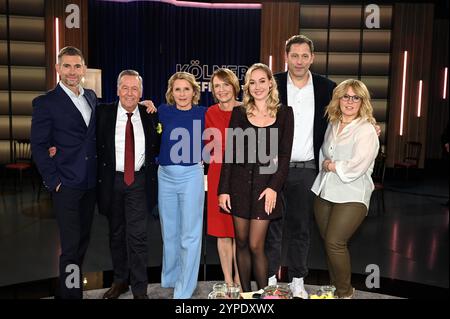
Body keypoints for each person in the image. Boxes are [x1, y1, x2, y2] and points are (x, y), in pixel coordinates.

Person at [264, 35, 336, 298]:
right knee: (271, 225)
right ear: (286, 56)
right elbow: (249, 109)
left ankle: (297, 280)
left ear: (312, 58)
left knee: (301, 228)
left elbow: (347, 114)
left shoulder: (327, 87)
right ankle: (270, 278)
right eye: (294, 55)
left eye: (305, 55)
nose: (299, 61)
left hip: (307, 169)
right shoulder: (272, 83)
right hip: (272, 168)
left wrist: (370, 124)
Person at [218, 63, 294, 292]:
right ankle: (247, 294)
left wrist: (274, 188)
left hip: (265, 189)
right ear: (247, 87)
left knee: (255, 244)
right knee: (241, 243)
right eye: (252, 82)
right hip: (238, 186)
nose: (258, 86)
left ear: (271, 83)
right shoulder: (239, 113)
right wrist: (223, 189)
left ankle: (263, 295)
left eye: (262, 81)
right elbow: (230, 154)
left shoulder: (284, 114)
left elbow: (284, 157)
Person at [31, 46, 97, 299]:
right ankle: (71, 295)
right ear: (57, 69)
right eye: (66, 66)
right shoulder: (46, 102)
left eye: (77, 66)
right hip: (66, 185)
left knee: (82, 243)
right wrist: (53, 181)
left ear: (83, 69)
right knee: (70, 247)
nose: (72, 71)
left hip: (90, 184)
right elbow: (38, 145)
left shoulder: (91, 97)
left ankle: (68, 289)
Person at [311, 79, 379, 298]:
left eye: (355, 97)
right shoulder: (333, 123)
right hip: (325, 190)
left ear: (362, 102)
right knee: (329, 244)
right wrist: (325, 166)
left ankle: (345, 292)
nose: (350, 101)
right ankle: (334, 287)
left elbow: (357, 165)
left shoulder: (366, 129)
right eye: (345, 96)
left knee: (335, 242)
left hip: (352, 192)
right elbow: (324, 152)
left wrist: (331, 165)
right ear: (338, 99)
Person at [96, 70, 160, 299]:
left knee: (138, 236)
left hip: (139, 181)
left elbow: (159, 145)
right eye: (125, 87)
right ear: (117, 90)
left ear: (141, 92)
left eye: (135, 89)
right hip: (112, 181)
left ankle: (140, 288)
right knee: (116, 234)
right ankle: (120, 280)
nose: (130, 93)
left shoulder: (151, 114)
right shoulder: (103, 113)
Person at [157, 72, 207, 299]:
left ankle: (185, 288)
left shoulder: (203, 113)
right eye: (177, 89)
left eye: (186, 89)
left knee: (190, 234)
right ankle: (170, 277)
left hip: (191, 176)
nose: (182, 94)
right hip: (164, 176)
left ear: (194, 92)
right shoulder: (162, 111)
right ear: (171, 92)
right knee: (169, 231)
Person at [205, 68, 241, 287]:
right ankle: (228, 281)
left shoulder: (248, 110)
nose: (222, 89)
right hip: (218, 175)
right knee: (223, 232)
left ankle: (239, 278)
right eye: (217, 86)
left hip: (242, 175)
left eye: (226, 84)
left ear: (234, 86)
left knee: (240, 233)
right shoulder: (210, 112)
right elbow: (211, 148)